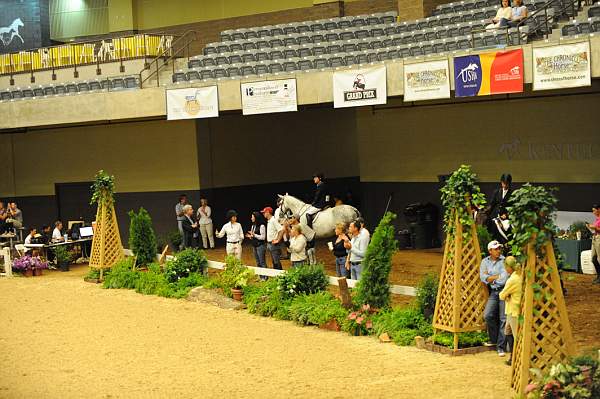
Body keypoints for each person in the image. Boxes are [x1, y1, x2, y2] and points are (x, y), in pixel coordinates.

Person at [480, 240, 509, 356]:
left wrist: (491, 278)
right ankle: (494, 340)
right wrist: (496, 277)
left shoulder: (504, 261)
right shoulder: (484, 262)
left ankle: (500, 347)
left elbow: (504, 279)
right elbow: (483, 277)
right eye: (496, 249)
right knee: (487, 315)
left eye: (499, 248)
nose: (498, 250)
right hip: (494, 292)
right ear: (490, 251)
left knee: (503, 319)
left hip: (504, 291)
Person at [499, 256, 522, 364]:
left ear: (508, 267)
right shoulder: (520, 275)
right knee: (508, 331)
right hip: (512, 309)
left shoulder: (512, 279)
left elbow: (502, 295)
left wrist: (506, 296)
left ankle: (516, 357)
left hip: (514, 310)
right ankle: (513, 356)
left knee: (515, 334)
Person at [587, 203, 600, 284]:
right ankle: (599, 275)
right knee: (593, 258)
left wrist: (594, 227)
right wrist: (590, 227)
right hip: (595, 238)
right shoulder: (597, 219)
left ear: (599, 209)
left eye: (594, 210)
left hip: (599, 238)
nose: (593, 212)